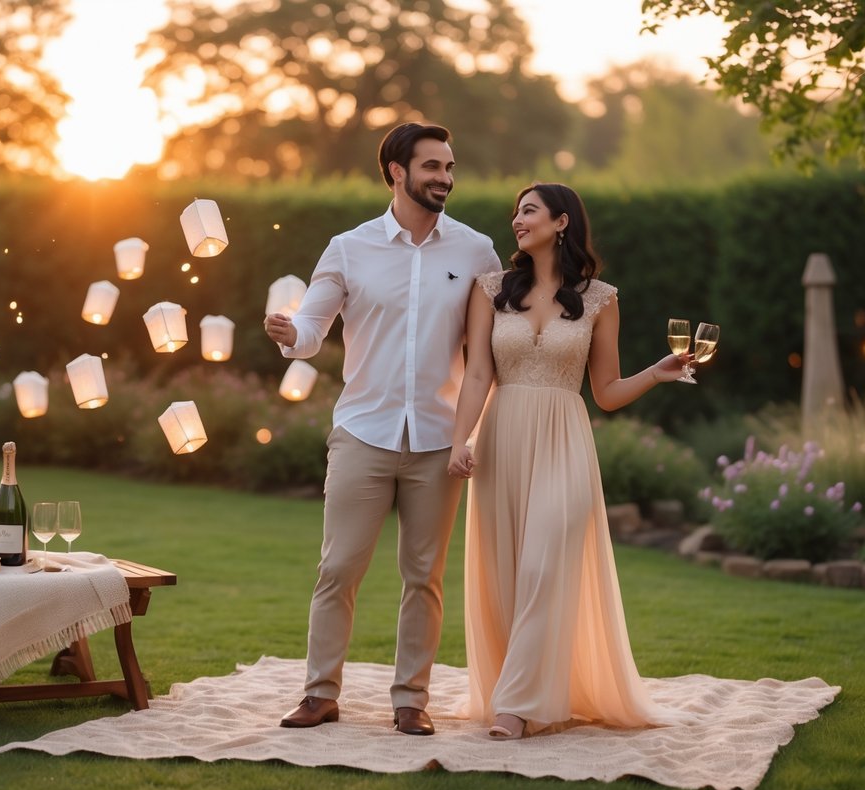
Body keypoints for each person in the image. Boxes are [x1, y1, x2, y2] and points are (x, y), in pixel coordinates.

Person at [264, 123, 501, 735]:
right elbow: (312, 328)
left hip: (440, 441)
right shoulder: (348, 248)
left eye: (449, 167)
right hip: (363, 432)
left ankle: (411, 700)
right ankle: (319, 693)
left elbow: (488, 350)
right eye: (432, 167)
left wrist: (476, 432)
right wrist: (292, 334)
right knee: (338, 568)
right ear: (397, 172)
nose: (445, 178)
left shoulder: (477, 251)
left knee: (424, 578)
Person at [447, 183, 689, 740]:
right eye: (515, 212)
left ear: (561, 222)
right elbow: (477, 374)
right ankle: (519, 691)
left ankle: (516, 706)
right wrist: (461, 440)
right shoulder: (490, 290)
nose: (517, 220)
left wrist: (655, 374)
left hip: (564, 442)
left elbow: (605, 391)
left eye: (529, 211)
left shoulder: (600, 299)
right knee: (507, 573)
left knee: (543, 566)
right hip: (502, 438)